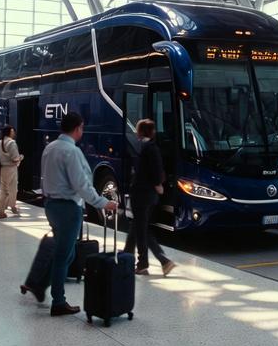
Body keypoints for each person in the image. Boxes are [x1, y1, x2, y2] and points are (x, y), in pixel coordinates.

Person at [39, 112, 118, 316]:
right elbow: (81, 184)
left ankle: (41, 284)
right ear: (77, 128)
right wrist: (103, 203)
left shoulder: (50, 148)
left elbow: (45, 178)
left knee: (69, 252)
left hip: (51, 206)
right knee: (63, 254)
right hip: (68, 209)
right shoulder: (71, 152)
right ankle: (58, 301)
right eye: (82, 127)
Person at [124, 119, 176, 276]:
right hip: (147, 195)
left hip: (142, 195)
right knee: (138, 227)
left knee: (141, 230)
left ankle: (150, 263)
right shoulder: (149, 147)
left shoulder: (146, 148)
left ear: (140, 131)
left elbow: (154, 171)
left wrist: (157, 184)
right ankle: (126, 258)